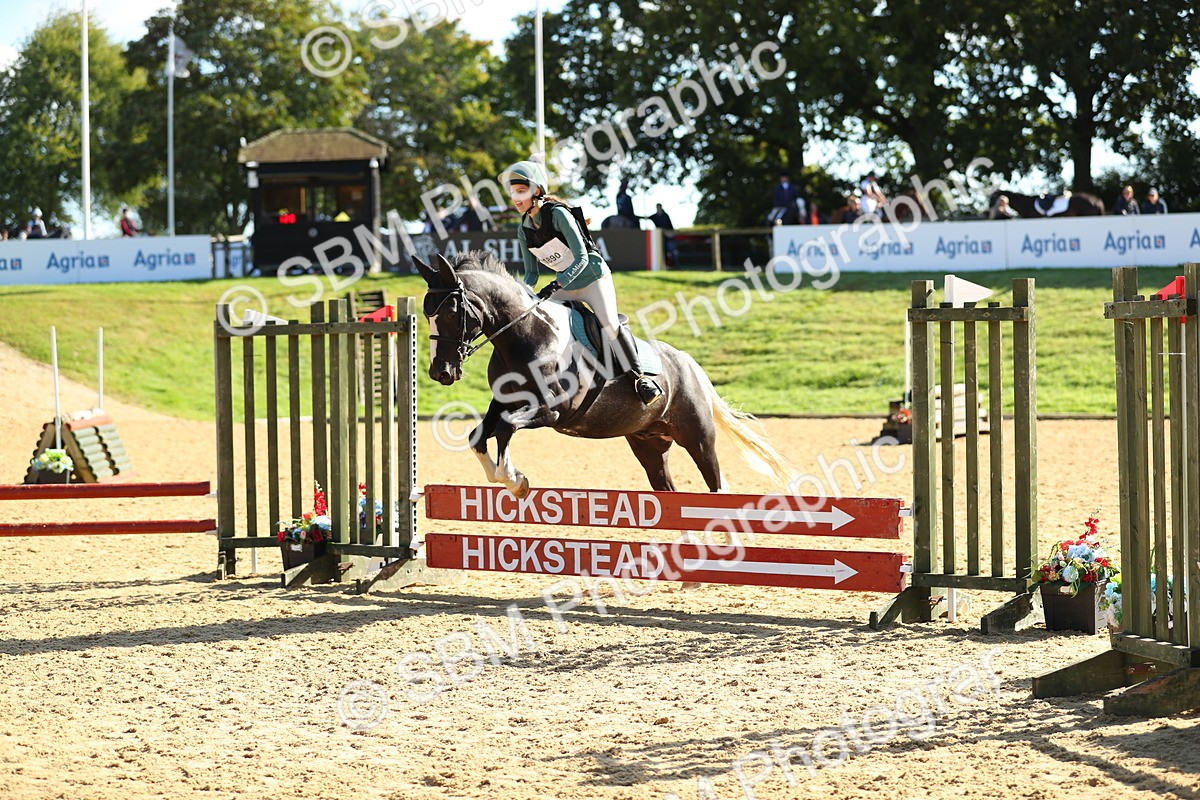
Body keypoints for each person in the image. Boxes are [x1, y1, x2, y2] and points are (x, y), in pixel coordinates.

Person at [501, 160, 663, 406]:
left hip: (593, 278)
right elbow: (531, 274)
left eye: (521, 191)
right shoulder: (524, 229)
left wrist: (558, 284)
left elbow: (582, 257)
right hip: (565, 285)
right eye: (513, 192)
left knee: (609, 324)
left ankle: (641, 378)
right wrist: (522, 293)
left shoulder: (558, 214)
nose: (516, 197)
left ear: (537, 191)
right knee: (543, 324)